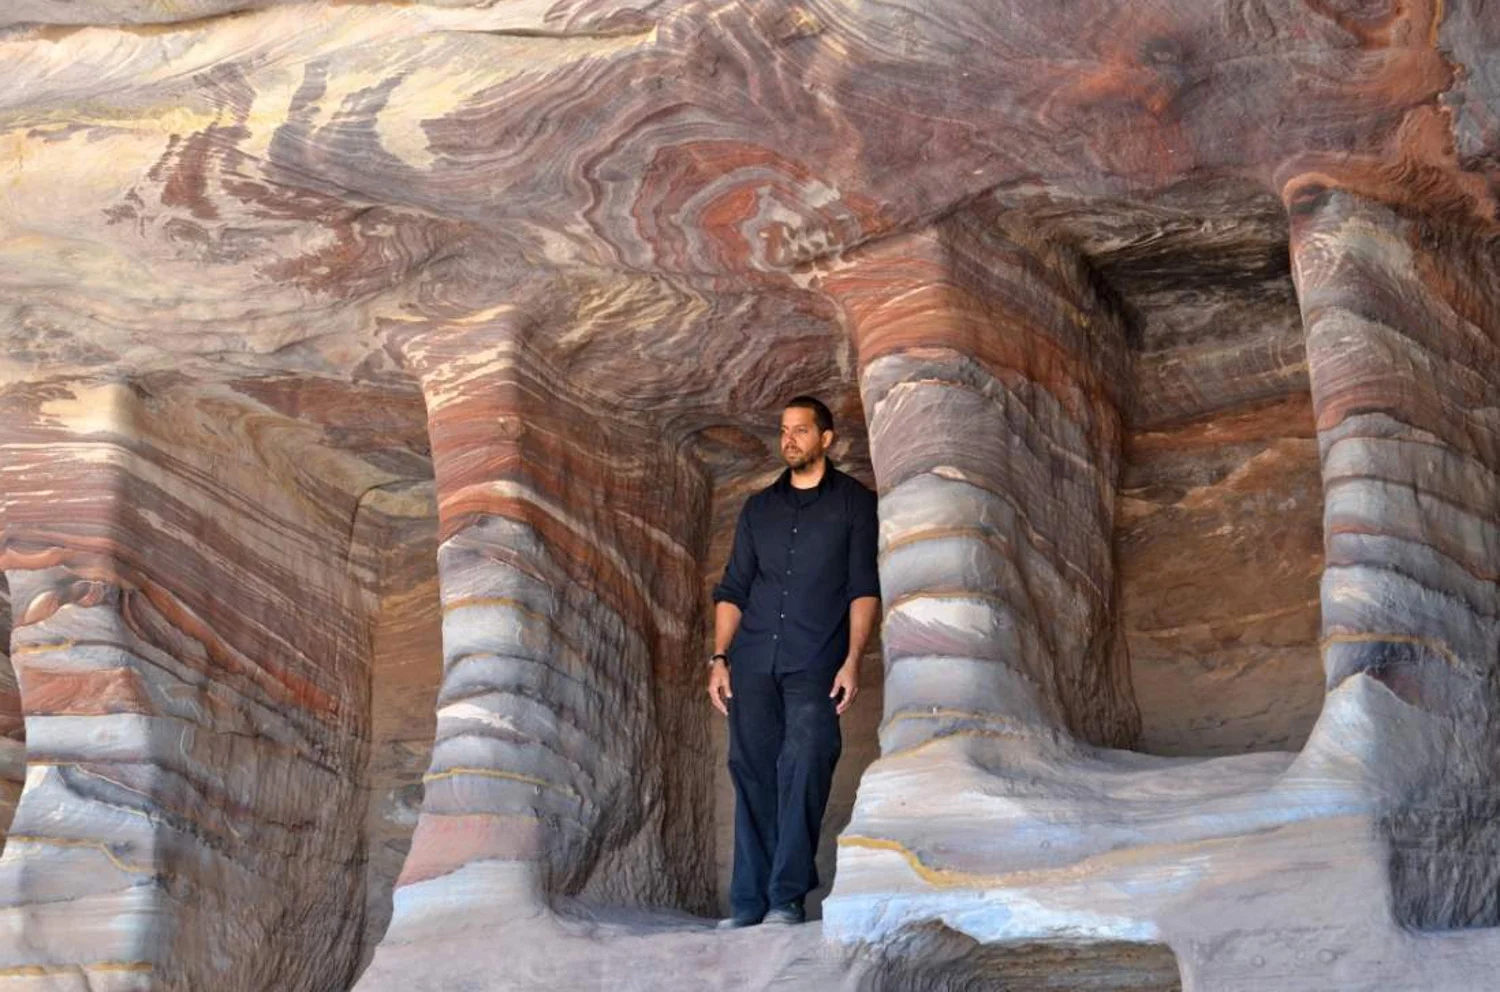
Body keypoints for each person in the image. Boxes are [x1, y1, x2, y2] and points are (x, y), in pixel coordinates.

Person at [707, 395, 881, 928]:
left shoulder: (855, 503)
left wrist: (852, 660)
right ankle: (748, 904)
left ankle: (785, 899)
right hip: (753, 658)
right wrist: (719, 658)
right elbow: (734, 589)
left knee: (805, 765)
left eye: (801, 430)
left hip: (816, 661)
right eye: (784, 430)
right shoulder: (759, 508)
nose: (789, 440)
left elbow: (863, 589)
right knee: (751, 772)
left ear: (826, 439)